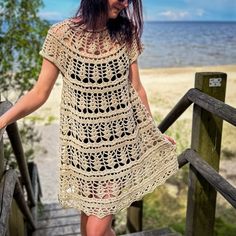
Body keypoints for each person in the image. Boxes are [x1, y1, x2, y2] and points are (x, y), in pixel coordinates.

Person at [0, 0, 179, 235]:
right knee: (90, 223)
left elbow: (137, 88)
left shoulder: (126, 33)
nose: (125, 3)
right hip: (84, 150)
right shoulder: (61, 35)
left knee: (95, 227)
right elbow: (39, 93)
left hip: (120, 146)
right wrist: (3, 120)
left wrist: (153, 134)